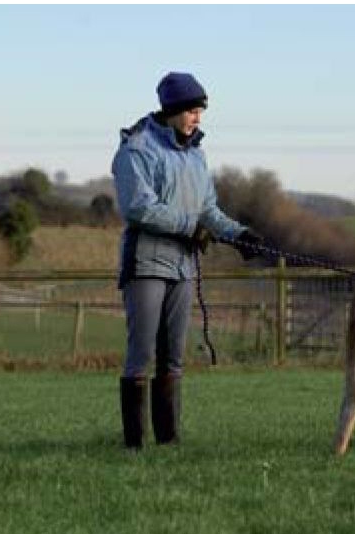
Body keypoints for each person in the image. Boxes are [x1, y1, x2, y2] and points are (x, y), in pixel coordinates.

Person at [111, 72, 261, 449]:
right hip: (146, 263)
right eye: (192, 111)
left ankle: (168, 442)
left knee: (173, 356)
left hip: (183, 266)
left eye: (200, 111)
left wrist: (239, 235)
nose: (198, 118)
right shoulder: (137, 148)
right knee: (142, 353)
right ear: (172, 110)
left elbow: (208, 209)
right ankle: (134, 445)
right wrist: (189, 228)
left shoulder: (196, 155)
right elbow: (139, 207)